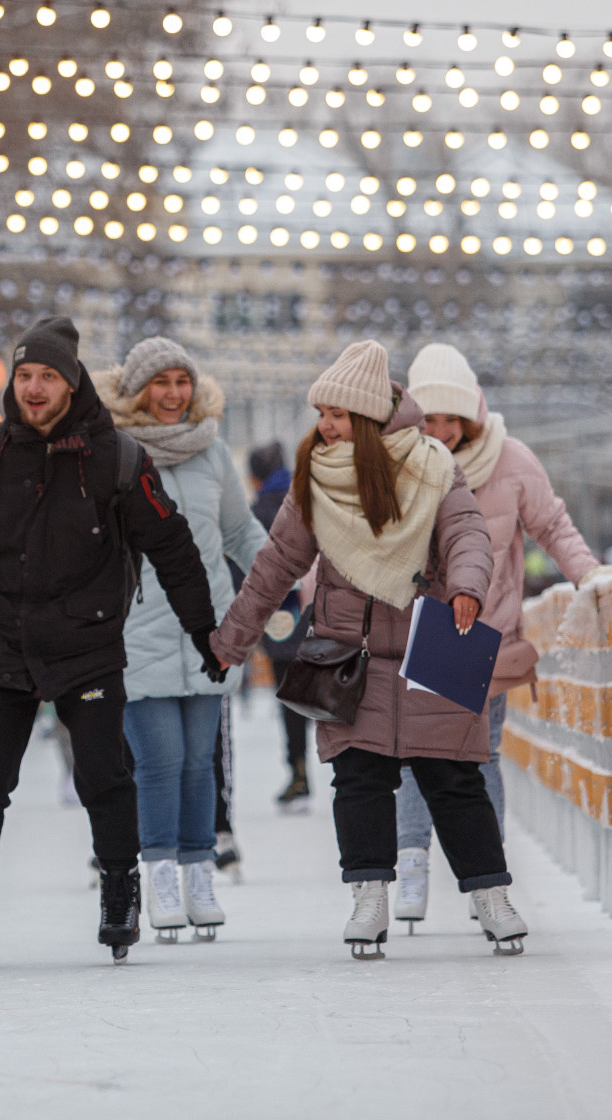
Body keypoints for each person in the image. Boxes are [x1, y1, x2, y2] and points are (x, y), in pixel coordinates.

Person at [0, 316, 219, 966]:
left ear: (72, 384)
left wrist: (204, 632)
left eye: (49, 376)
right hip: (1, 641)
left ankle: (119, 890)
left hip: (88, 643)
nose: (35, 387)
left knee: (103, 775)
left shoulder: (118, 459)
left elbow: (172, 547)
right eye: (25, 375)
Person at [209, 340, 528, 959]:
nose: (323, 427)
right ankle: (369, 894)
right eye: (320, 413)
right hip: (346, 646)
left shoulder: (433, 465)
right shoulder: (317, 482)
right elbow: (274, 567)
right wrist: (232, 641)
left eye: (336, 414)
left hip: (436, 635)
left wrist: (466, 585)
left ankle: (490, 894)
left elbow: (466, 531)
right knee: (359, 778)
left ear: (370, 418)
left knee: (455, 776)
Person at [390, 343, 612, 931]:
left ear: (472, 414)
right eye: (431, 418)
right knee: (419, 755)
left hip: (485, 633)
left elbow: (553, 526)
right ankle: (413, 861)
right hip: (420, 630)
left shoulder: (511, 460)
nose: (441, 431)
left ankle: (483, 877)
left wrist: (590, 575)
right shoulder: (396, 463)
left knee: (481, 756)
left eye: (452, 418)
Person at [95, 337, 264, 941]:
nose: (173, 395)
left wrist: (288, 576)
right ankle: (158, 873)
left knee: (200, 764)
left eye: (181, 382)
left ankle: (199, 874)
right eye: (160, 384)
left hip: (208, 630)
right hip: (138, 629)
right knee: (160, 762)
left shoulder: (212, 452)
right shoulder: (112, 453)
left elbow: (240, 532)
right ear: (138, 391)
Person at [247, 442, 310, 810]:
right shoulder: (307, 503)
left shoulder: (257, 513)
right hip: (318, 617)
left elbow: (248, 573)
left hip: (280, 624)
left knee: (292, 704)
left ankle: (299, 774)